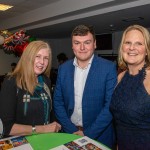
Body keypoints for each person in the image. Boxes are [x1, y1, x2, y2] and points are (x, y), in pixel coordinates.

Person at [53, 24, 117, 148]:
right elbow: (58, 102)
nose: (82, 47)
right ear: (72, 45)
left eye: (87, 42)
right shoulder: (63, 69)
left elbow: (110, 106)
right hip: (69, 133)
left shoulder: (108, 68)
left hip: (99, 136)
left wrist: (87, 134)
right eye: (77, 43)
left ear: (94, 44)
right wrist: (72, 130)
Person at [0, 40, 61, 138]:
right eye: (37, 56)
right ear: (27, 57)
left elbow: (50, 112)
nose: (42, 62)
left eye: (46, 58)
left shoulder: (45, 81)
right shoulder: (11, 82)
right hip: (22, 143)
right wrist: (43, 129)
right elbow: (6, 127)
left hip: (45, 140)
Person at [110, 25, 150, 149]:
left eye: (139, 43)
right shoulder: (120, 77)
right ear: (122, 47)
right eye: (128, 42)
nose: (132, 48)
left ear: (147, 50)